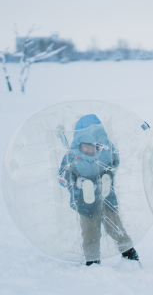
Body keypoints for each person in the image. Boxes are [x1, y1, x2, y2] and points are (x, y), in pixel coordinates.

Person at [58, 114, 139, 266]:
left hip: (106, 196)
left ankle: (128, 252)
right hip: (84, 201)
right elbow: (63, 177)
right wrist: (77, 184)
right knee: (90, 232)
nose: (90, 149)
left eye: (94, 145)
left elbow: (115, 162)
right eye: (86, 145)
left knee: (115, 226)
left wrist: (107, 175)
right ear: (78, 143)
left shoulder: (106, 152)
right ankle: (92, 260)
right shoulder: (71, 157)